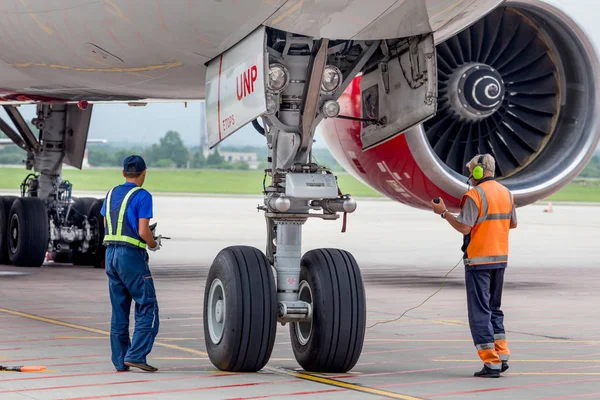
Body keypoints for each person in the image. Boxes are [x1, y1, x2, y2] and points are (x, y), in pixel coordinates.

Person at [431, 154, 517, 378]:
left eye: (470, 171)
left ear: (478, 172)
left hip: (479, 260)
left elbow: (464, 228)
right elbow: (513, 224)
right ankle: (502, 355)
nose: (469, 175)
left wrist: (443, 213)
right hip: (500, 259)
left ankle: (491, 363)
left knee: (480, 312)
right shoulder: (506, 193)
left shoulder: (475, 195)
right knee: (495, 309)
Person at [100, 155, 163, 372]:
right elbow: (143, 231)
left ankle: (120, 361)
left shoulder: (110, 194)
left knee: (119, 310)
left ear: (123, 173)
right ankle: (136, 355)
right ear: (144, 173)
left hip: (111, 255)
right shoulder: (143, 196)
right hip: (131, 257)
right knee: (147, 305)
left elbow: (108, 224)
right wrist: (153, 244)